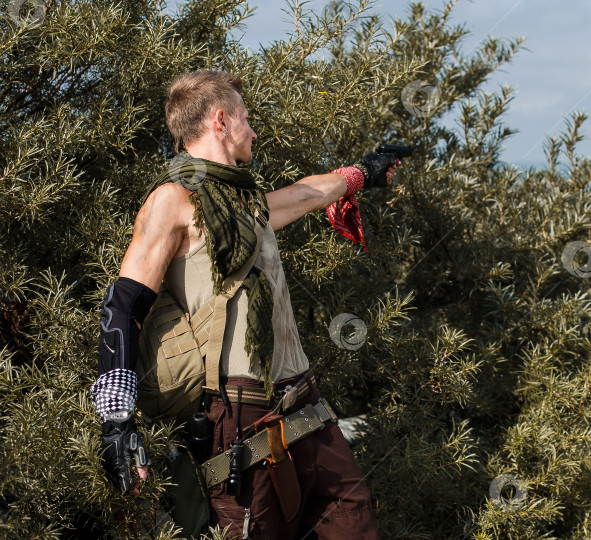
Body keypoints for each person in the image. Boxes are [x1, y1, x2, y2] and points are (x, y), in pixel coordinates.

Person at [89, 69, 400, 539]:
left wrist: (362, 173)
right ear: (221, 121)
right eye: (245, 118)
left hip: (305, 402)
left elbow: (306, 193)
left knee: (356, 526)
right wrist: (116, 420)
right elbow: (122, 305)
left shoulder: (246, 204)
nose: (252, 130)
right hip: (238, 413)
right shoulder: (170, 202)